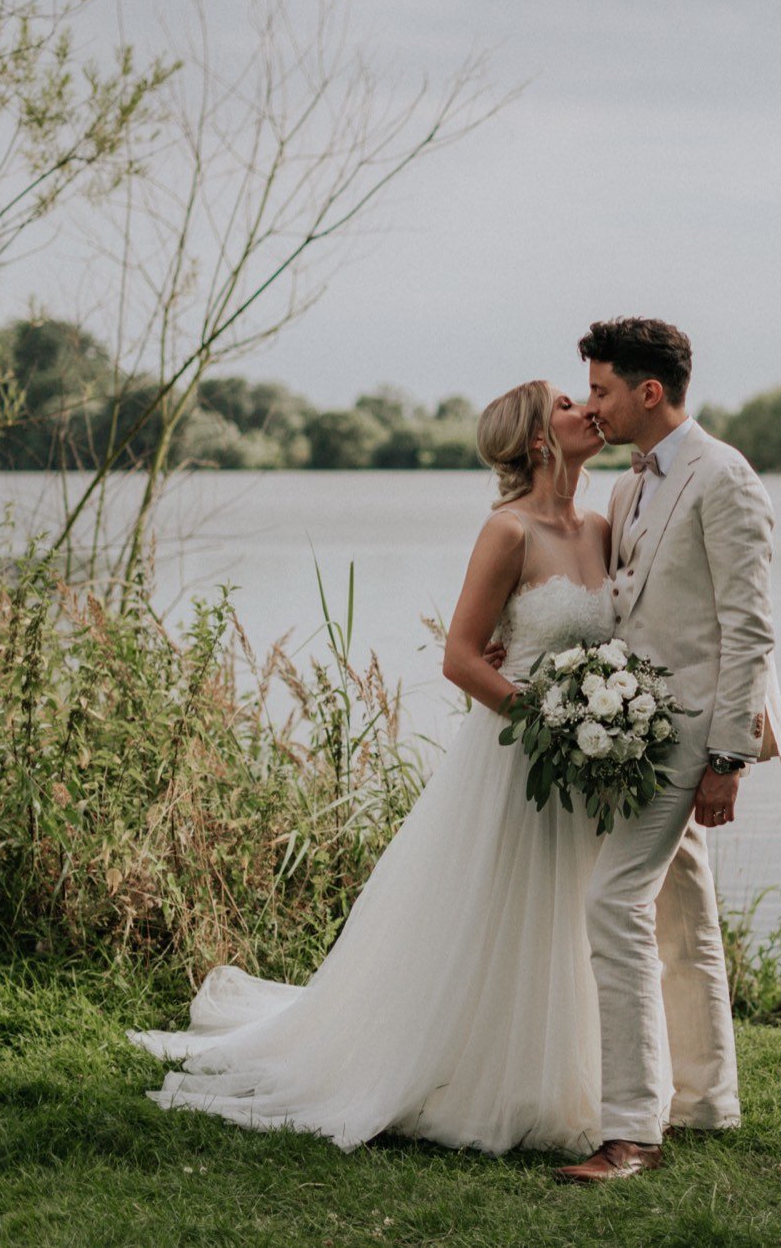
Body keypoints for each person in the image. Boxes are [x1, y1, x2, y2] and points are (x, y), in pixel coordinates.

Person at [127, 381, 616, 1155]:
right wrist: (545, 721)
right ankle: (463, 1071)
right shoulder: (507, 531)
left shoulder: (604, 524)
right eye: (565, 403)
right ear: (534, 439)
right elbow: (461, 658)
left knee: (567, 914)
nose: (587, 407)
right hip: (521, 756)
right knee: (494, 914)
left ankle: (566, 1075)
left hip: (584, 765)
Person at [557, 317, 781, 1184]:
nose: (594, 404)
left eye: (604, 390)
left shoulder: (723, 478)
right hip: (633, 732)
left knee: (612, 903)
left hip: (692, 734)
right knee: (683, 915)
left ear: (649, 392)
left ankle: (633, 1133)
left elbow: (749, 628)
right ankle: (705, 1100)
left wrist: (727, 760)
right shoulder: (629, 489)